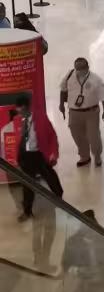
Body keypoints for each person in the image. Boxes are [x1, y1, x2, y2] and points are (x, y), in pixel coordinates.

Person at [15, 94, 63, 222]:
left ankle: (59, 198)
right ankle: (27, 210)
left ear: (28, 107)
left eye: (23, 111)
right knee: (27, 184)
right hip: (26, 157)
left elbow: (52, 136)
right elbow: (18, 141)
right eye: (19, 112)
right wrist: (18, 159)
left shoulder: (41, 118)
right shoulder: (17, 120)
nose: (21, 115)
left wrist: (53, 153)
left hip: (40, 154)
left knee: (50, 176)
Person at [59, 57, 104, 167]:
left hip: (91, 112)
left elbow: (103, 97)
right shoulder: (69, 76)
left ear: (87, 68)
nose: (79, 70)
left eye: (82, 68)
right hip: (74, 112)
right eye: (77, 68)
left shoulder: (96, 80)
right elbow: (63, 90)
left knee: (93, 136)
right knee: (77, 135)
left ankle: (97, 155)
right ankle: (84, 156)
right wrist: (61, 104)